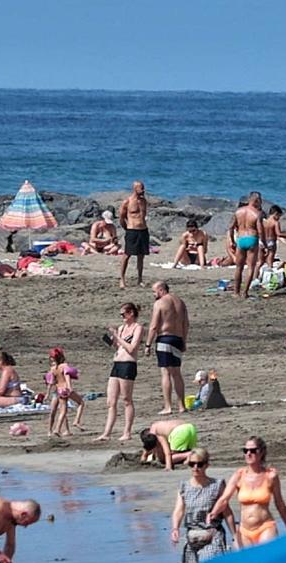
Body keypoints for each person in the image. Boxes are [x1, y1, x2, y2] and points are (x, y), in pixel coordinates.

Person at [211, 438, 286, 563]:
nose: (248, 454)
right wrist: (213, 512)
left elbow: (279, 502)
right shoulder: (239, 475)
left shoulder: (271, 476)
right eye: (245, 450)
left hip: (266, 526)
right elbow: (225, 498)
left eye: (253, 450)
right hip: (244, 530)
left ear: (261, 452)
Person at [172, 448, 229, 563]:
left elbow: (226, 511)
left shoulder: (217, 485)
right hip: (193, 538)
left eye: (200, 464)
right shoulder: (184, 487)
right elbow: (179, 510)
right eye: (192, 464)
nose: (196, 468)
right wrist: (174, 528)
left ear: (207, 465)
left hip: (213, 535)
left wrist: (235, 535)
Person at [97, 302, 141, 442]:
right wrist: (111, 340)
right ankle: (107, 433)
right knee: (111, 401)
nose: (122, 317)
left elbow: (131, 348)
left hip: (128, 364)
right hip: (117, 363)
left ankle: (127, 432)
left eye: (123, 314)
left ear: (131, 313)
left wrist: (118, 337)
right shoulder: (122, 328)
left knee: (127, 399)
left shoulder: (137, 328)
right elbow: (118, 347)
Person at [148, 280, 190, 415]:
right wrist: (184, 340)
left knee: (165, 372)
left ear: (161, 290)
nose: (154, 294)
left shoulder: (159, 303)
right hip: (178, 339)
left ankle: (168, 406)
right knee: (177, 373)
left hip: (165, 338)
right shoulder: (180, 302)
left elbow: (154, 326)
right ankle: (182, 406)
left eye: (154, 292)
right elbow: (186, 324)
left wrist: (148, 344)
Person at [229, 192, 265, 297]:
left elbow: (231, 227)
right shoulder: (257, 213)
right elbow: (260, 231)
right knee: (250, 267)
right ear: (256, 200)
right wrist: (264, 243)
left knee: (239, 267)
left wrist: (232, 240)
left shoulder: (238, 211)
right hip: (252, 238)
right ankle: (245, 292)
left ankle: (236, 292)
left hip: (240, 238)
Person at [45, 347, 83, 438]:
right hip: (65, 389)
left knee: (61, 411)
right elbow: (67, 376)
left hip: (58, 390)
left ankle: (59, 429)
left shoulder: (53, 369)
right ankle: (74, 422)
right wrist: (70, 387)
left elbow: (51, 382)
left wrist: (47, 393)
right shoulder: (64, 366)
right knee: (80, 403)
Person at [117, 180, 150, 288]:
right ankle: (122, 279)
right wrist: (127, 228)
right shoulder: (127, 201)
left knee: (141, 256)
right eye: (141, 188)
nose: (143, 190)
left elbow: (143, 215)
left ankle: (140, 279)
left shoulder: (144, 201)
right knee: (127, 255)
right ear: (135, 189)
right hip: (132, 230)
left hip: (143, 230)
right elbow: (121, 218)